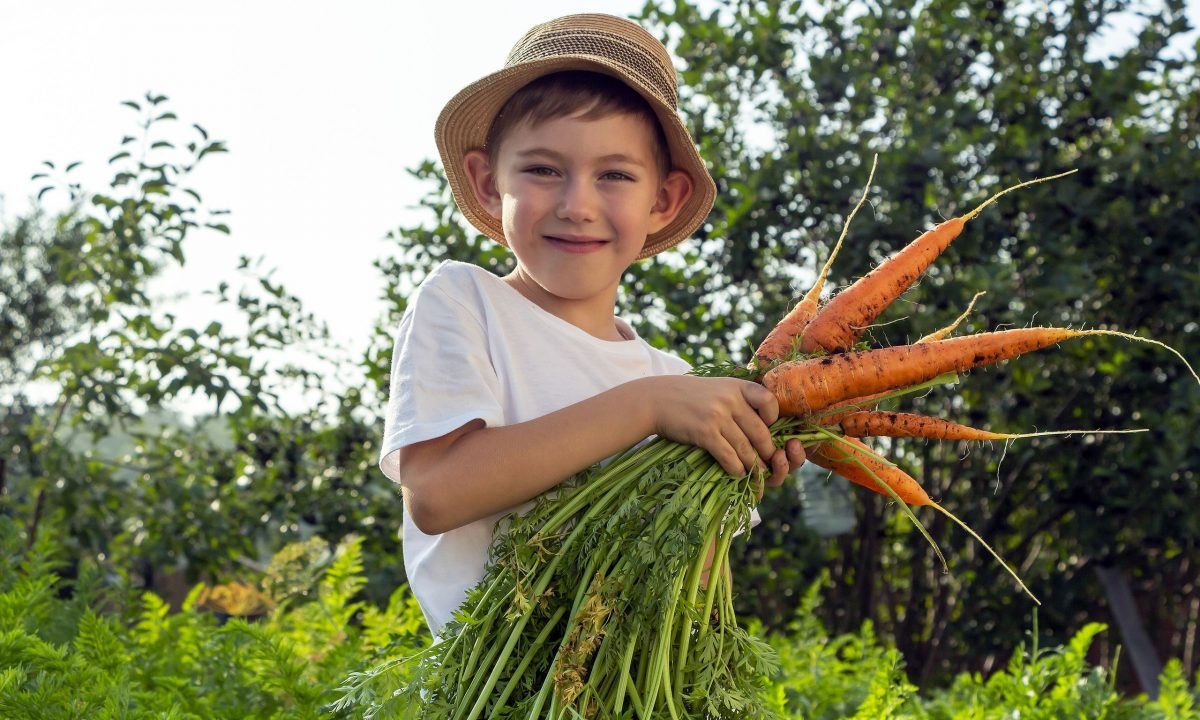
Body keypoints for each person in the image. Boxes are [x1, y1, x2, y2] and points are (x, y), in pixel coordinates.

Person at [379, 13, 805, 636]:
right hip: (498, 694)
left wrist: (734, 479)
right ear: (487, 183)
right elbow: (438, 493)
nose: (577, 205)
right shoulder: (464, 301)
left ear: (663, 201)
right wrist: (645, 408)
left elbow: (700, 596)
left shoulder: (677, 379)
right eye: (543, 170)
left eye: (615, 175)